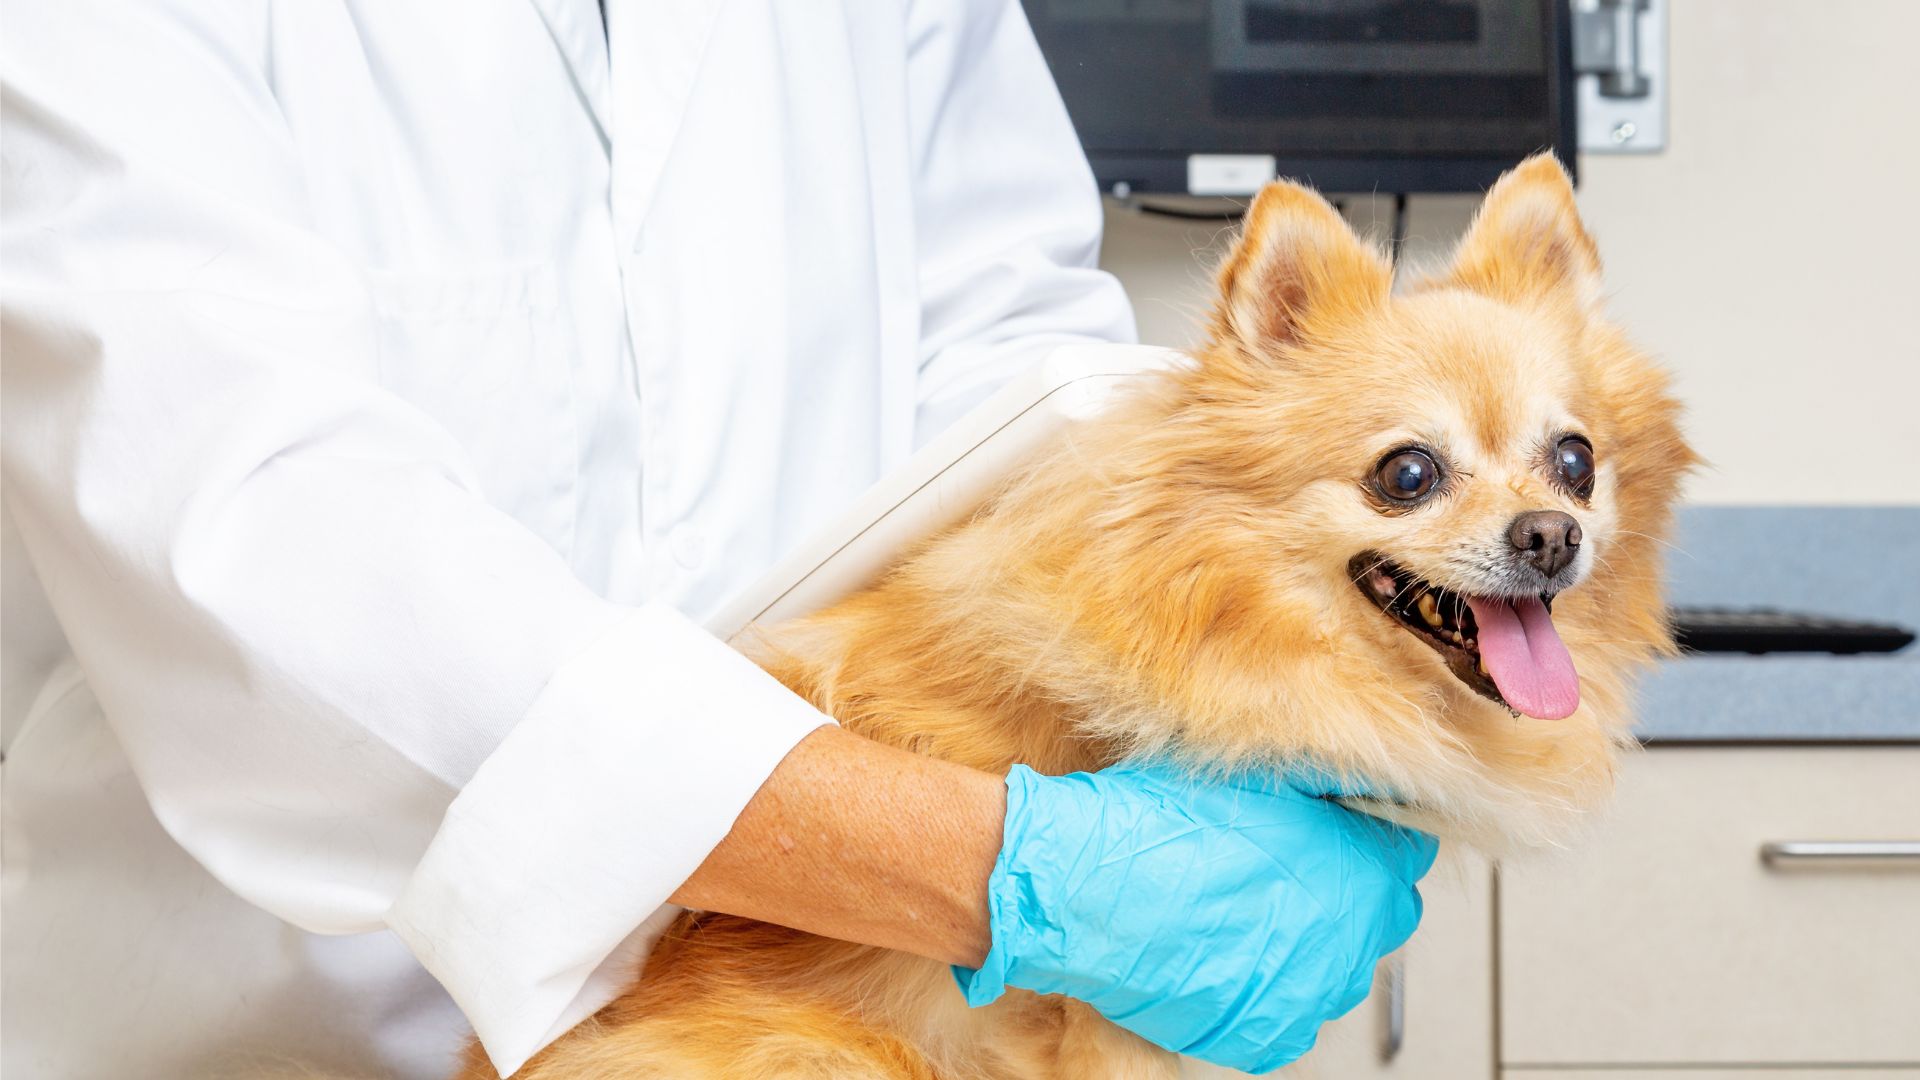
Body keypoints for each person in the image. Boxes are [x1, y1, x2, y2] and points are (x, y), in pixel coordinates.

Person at [0, 1, 1436, 1077]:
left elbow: (1011, 376)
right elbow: (253, 539)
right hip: (268, 1036)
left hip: (814, 1028)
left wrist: (1179, 733)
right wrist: (1005, 869)